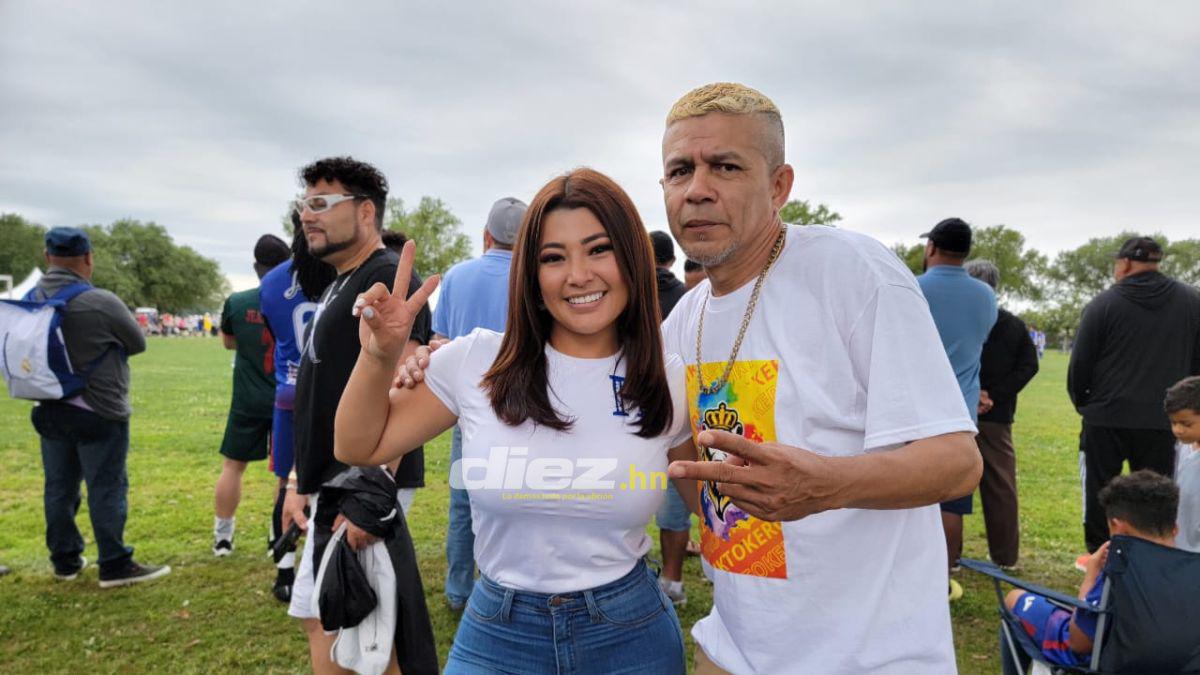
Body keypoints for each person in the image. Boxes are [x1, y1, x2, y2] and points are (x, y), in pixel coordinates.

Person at [658, 83, 981, 674]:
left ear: (779, 185)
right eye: (680, 171)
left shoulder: (853, 274)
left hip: (868, 655)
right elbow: (675, 437)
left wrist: (829, 484)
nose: (698, 188)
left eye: (725, 166)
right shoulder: (684, 318)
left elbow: (957, 460)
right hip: (731, 647)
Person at [337, 168, 694, 674]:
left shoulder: (667, 378)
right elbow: (358, 445)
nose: (578, 275)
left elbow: (718, 506)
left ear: (631, 258)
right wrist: (379, 357)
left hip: (630, 631)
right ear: (530, 272)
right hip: (499, 631)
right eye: (553, 257)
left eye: (599, 249)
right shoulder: (476, 361)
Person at [278, 156, 434, 675]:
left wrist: (372, 497)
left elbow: (403, 388)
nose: (307, 215)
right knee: (332, 620)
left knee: (360, 632)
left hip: (363, 484)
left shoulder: (386, 276)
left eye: (323, 203)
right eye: (305, 204)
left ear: (365, 211)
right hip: (332, 480)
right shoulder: (340, 281)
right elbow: (321, 394)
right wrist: (300, 477)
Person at [28, 227, 170, 588]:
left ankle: (64, 559)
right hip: (98, 407)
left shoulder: (30, 299)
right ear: (88, 258)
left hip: (49, 404)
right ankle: (114, 562)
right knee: (106, 486)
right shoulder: (100, 301)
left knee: (58, 487)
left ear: (47, 257)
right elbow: (136, 342)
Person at [1067, 235, 1200, 568]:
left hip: (1107, 417)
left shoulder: (1103, 304)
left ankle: (1100, 559)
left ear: (1124, 263)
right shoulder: (1191, 301)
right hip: (1164, 420)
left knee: (1101, 492)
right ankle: (1152, 561)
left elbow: (1080, 365)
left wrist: (1085, 404)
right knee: (1157, 494)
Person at [429, 196, 525, 611]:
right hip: (525, 404)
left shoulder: (456, 276)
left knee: (463, 501)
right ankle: (513, 584)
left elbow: (441, 342)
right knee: (522, 498)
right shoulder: (534, 276)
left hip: (467, 408)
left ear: (486, 236)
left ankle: (459, 589)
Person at [1004, 470, 1180, 669]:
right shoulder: (1189, 572)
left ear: (1118, 527)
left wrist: (1091, 576)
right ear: (1175, 528)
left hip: (1104, 658)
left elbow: (1079, 642)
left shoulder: (1118, 573)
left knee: (1013, 598)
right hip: (1168, 660)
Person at [916, 218, 998, 595]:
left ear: (931, 247)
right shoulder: (985, 296)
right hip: (960, 413)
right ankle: (949, 567)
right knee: (952, 499)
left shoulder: (912, 289)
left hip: (915, 411)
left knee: (909, 494)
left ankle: (916, 566)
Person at [257, 217, 336, 603]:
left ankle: (285, 570)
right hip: (330, 392)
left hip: (289, 393)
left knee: (286, 486)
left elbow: (275, 337)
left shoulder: (271, 282)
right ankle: (323, 566)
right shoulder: (336, 271)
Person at [211, 234, 291, 558]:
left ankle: (223, 538)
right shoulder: (291, 300)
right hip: (285, 397)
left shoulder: (238, 302)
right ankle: (278, 536)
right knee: (285, 473)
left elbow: (229, 342)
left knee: (233, 466)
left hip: (247, 397)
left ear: (255, 266)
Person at [966, 259, 1038, 570]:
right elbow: (1028, 366)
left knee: (949, 490)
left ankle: (949, 555)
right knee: (1001, 488)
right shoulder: (1013, 324)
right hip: (994, 414)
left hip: (968, 412)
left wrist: (986, 394)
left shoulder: (958, 319)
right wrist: (994, 394)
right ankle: (1005, 556)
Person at [649, 229, 695, 605]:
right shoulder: (689, 298)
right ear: (672, 260)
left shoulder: (632, 296)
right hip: (684, 414)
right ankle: (673, 580)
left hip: (635, 412)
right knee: (677, 503)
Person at [380, 229, 432, 517]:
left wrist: (380, 478)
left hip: (389, 461)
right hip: (378, 453)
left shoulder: (402, 289)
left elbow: (402, 378)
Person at [1165, 376, 1200, 552]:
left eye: (1186, 424)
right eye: (1173, 422)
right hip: (1181, 543)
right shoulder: (1182, 446)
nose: (1178, 429)